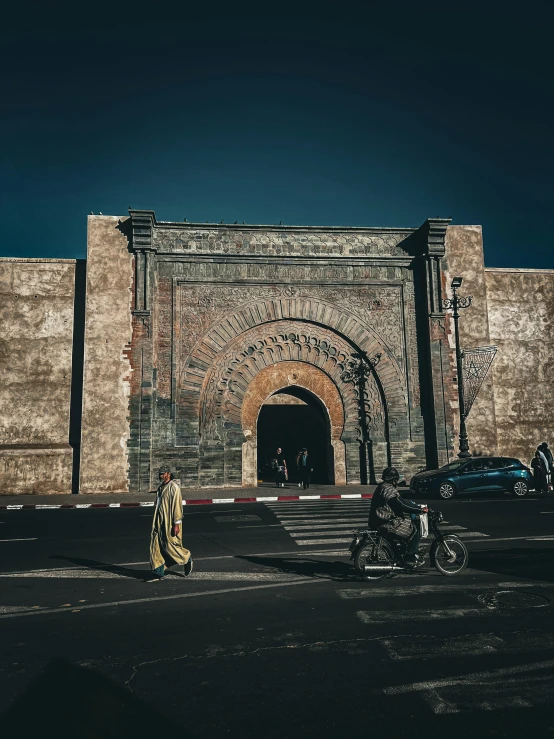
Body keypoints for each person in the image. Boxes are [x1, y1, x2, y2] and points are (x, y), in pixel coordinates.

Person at [368, 466, 428, 565]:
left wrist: (413, 505)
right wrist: (419, 509)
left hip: (376, 521)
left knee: (405, 525)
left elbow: (401, 501)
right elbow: (401, 505)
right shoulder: (389, 490)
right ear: (394, 480)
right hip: (386, 523)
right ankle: (410, 557)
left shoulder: (382, 487)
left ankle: (400, 555)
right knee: (414, 530)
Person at [148, 465, 193, 581]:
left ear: (168, 474)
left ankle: (186, 558)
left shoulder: (174, 487)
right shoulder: (160, 488)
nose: (161, 476)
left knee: (170, 545)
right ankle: (158, 572)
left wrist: (176, 523)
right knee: (156, 545)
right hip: (158, 521)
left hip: (170, 522)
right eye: (160, 474)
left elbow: (177, 506)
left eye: (163, 474)